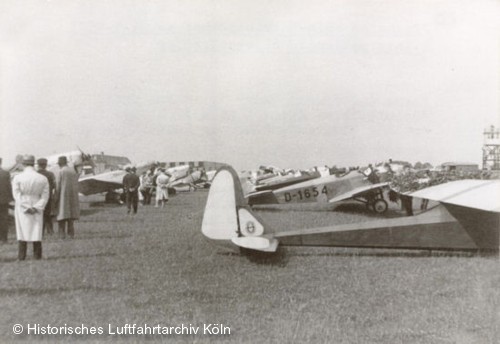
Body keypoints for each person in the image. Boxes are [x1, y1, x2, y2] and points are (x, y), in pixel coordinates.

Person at [12, 155, 49, 260]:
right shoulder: (42, 178)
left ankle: (21, 256)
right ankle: (37, 255)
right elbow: (45, 195)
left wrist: (26, 206)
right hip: (37, 202)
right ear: (34, 164)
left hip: (22, 204)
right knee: (36, 229)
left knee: (22, 229)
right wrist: (37, 207)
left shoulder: (18, 177)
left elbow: (16, 194)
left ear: (23, 164)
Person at [54, 156, 80, 239]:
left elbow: (58, 185)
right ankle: (71, 234)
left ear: (60, 163)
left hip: (63, 195)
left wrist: (55, 197)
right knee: (70, 217)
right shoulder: (72, 171)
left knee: (61, 216)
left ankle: (62, 235)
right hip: (72, 196)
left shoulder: (61, 171)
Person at [37, 158, 56, 236]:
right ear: (45, 165)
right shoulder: (50, 174)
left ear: (38, 165)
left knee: (39, 214)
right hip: (48, 196)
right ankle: (50, 230)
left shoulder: (36, 174)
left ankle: (40, 231)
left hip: (38, 197)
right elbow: (54, 185)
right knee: (48, 214)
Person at [0, 158, 13, 243]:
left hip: (3, 199)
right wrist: (11, 199)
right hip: (3, 200)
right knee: (4, 219)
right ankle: (4, 238)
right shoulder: (6, 173)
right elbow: (9, 187)